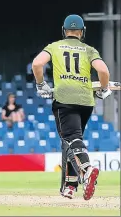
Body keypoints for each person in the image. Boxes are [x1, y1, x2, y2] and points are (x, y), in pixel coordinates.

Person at [32, 14, 111, 201]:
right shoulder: (89, 50)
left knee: (71, 138)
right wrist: (104, 88)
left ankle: (87, 168)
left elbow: (37, 63)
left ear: (63, 30)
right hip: (85, 101)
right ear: (82, 32)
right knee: (71, 141)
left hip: (64, 98)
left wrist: (40, 84)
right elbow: (103, 71)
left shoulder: (54, 46)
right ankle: (70, 186)